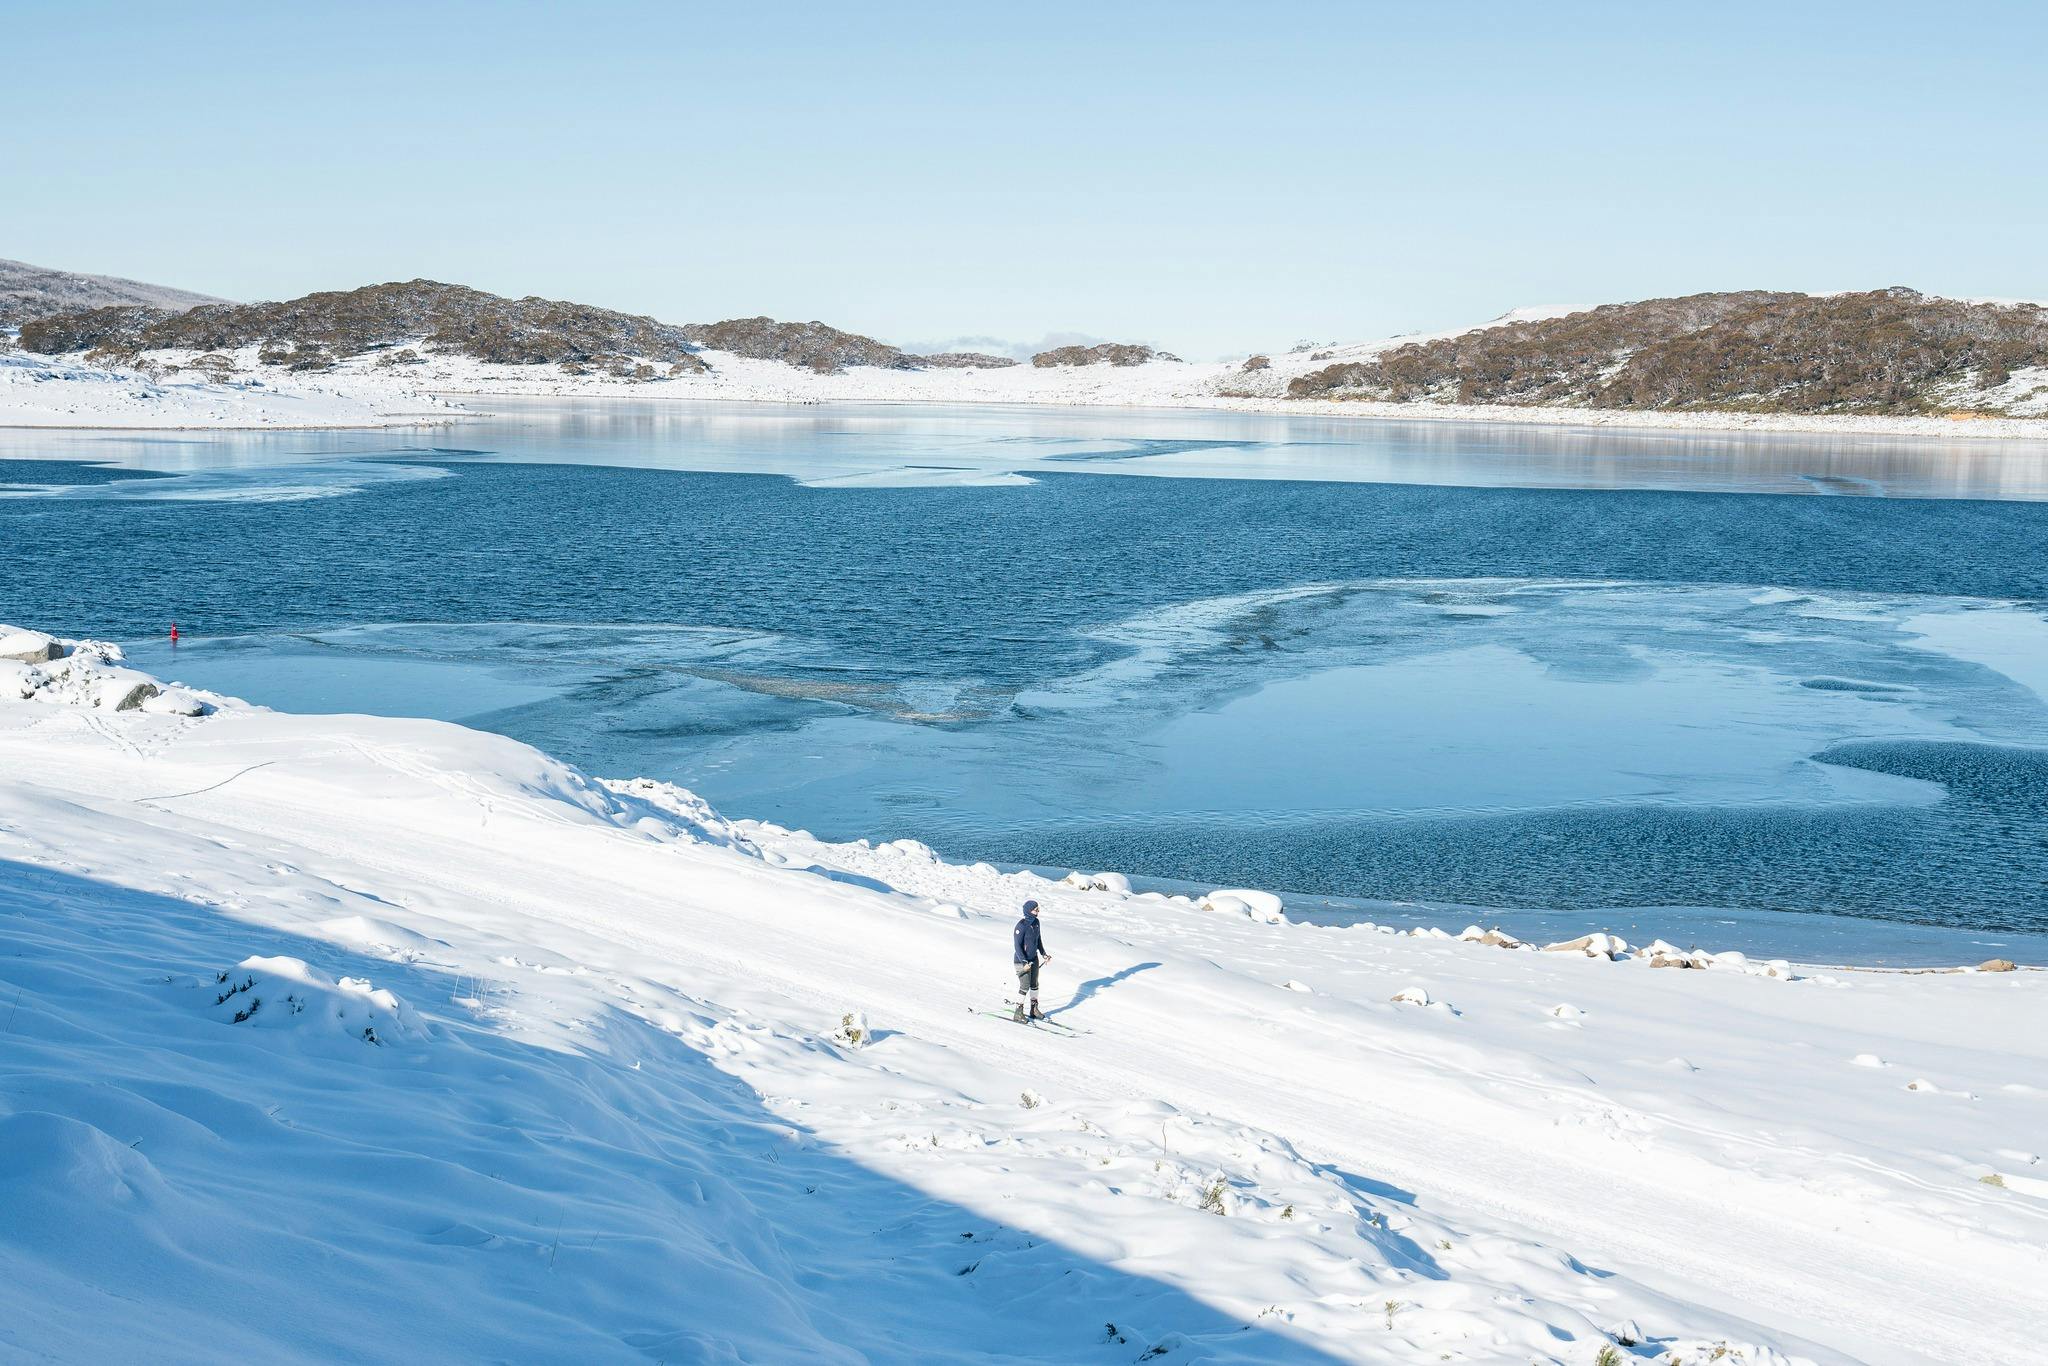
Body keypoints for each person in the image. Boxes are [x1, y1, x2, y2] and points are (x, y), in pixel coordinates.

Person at [1012, 899, 1050, 1022]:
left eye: (1038, 908)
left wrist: (1044, 954)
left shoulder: (1036, 922)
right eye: (1035, 909)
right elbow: (1017, 946)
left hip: (1034, 959)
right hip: (1021, 961)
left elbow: (1038, 940)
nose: (1038, 911)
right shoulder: (1021, 926)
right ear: (1028, 911)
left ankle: (1034, 1009)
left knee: (1035, 984)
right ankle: (1018, 1012)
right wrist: (1024, 962)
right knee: (1025, 985)